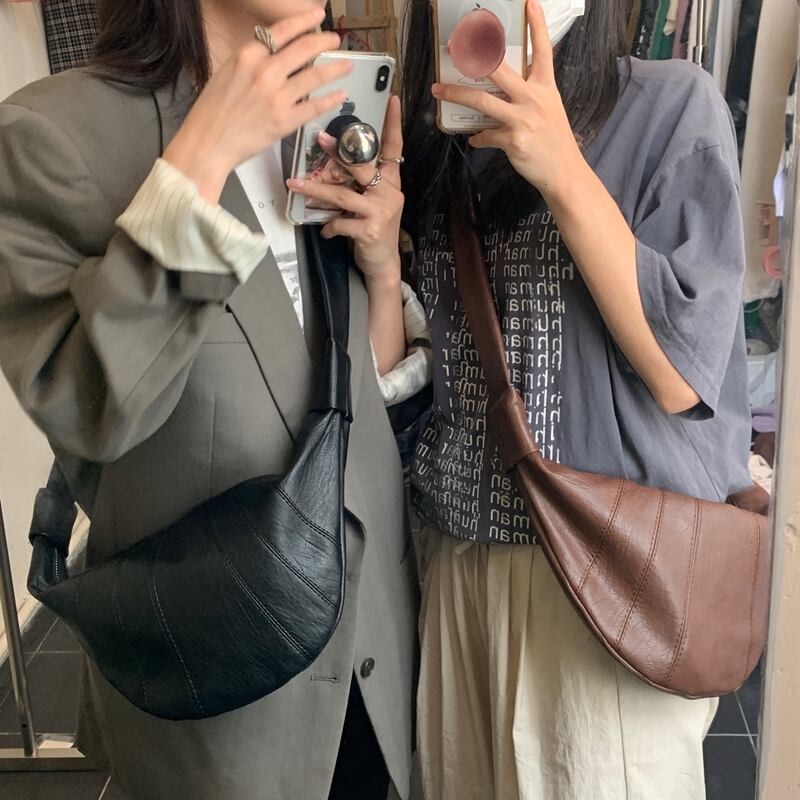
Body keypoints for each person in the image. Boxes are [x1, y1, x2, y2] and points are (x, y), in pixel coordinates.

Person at [0, 1, 430, 798]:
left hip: (376, 640)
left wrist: (380, 272)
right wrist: (201, 159)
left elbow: (358, 399)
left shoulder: (323, 111)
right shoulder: (53, 135)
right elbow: (92, 409)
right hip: (224, 675)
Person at [398, 0, 752, 797]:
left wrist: (562, 169)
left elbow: (682, 373)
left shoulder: (669, 105)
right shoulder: (435, 146)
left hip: (610, 584)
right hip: (456, 572)